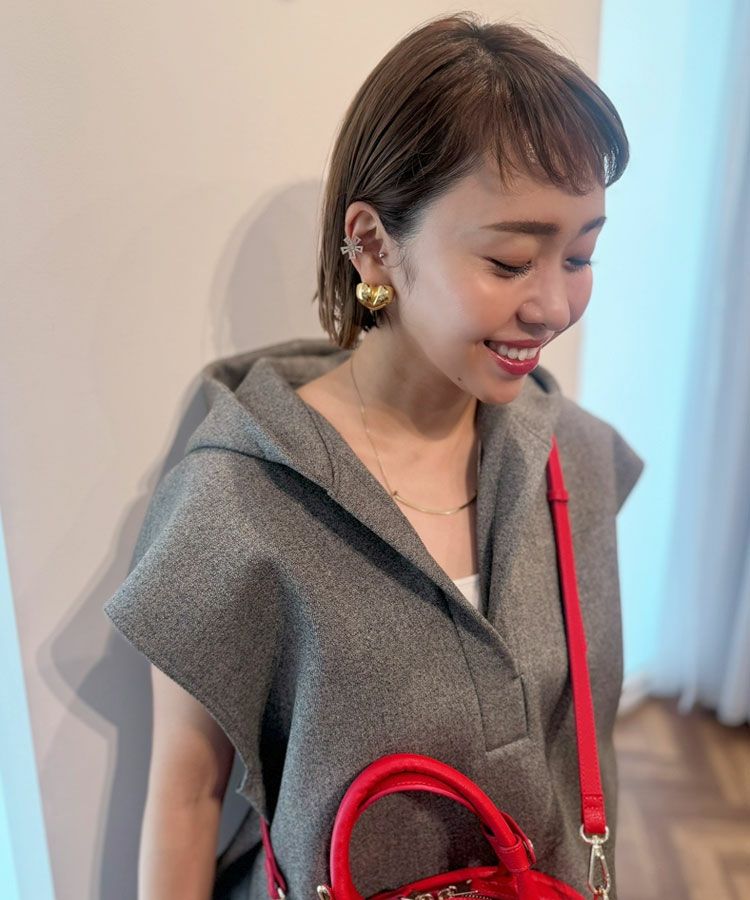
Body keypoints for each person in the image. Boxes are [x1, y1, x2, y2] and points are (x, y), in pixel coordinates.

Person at [103, 12, 645, 900]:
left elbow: (587, 770)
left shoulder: (574, 460)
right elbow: (188, 799)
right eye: (511, 261)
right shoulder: (237, 503)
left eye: (581, 255)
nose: (553, 306)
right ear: (372, 244)